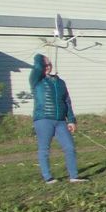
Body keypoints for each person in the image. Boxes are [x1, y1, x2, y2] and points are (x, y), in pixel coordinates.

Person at [29, 54, 86, 183]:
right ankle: (48, 177)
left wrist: (71, 120)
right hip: (43, 119)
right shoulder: (36, 80)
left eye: (49, 64)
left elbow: (67, 102)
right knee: (44, 149)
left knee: (70, 147)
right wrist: (42, 59)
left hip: (61, 120)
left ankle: (74, 176)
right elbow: (38, 64)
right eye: (45, 64)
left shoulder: (60, 82)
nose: (47, 67)